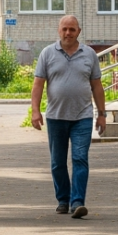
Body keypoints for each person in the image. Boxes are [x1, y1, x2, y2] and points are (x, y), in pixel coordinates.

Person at [30, 15, 106, 219]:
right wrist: (35, 111)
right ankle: (63, 199)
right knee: (58, 162)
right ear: (58, 30)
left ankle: (77, 201)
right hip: (56, 116)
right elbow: (38, 84)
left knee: (80, 158)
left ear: (79, 32)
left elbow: (97, 86)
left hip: (83, 116)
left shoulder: (89, 54)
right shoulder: (47, 53)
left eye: (72, 29)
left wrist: (102, 114)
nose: (68, 33)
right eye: (64, 29)